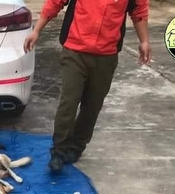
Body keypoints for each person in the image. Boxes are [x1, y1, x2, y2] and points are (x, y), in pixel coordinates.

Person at [24, 0, 151, 173]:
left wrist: (144, 41)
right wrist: (37, 30)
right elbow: (55, 2)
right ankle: (58, 151)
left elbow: (139, 11)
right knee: (69, 102)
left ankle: (77, 146)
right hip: (75, 51)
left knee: (92, 105)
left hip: (106, 55)